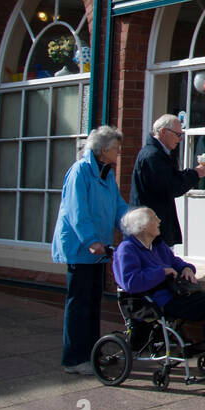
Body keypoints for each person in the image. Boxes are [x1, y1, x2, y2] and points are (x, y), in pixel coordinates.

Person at [112, 207, 205, 374]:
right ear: (143, 226)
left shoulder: (157, 246)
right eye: (154, 218)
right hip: (156, 301)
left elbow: (176, 262)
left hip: (175, 294)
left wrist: (187, 268)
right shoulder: (127, 249)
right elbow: (130, 282)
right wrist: (161, 272)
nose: (159, 221)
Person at [51, 126, 129, 374]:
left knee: (93, 302)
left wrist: (136, 225)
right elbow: (77, 211)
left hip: (98, 249)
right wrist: (91, 241)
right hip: (81, 248)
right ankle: (74, 359)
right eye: (116, 148)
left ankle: (92, 354)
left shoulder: (106, 174)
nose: (119, 152)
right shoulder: (80, 172)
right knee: (79, 303)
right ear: (103, 150)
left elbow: (119, 207)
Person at [130, 114, 205, 248]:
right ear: (163, 132)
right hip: (148, 229)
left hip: (154, 226)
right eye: (177, 134)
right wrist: (195, 174)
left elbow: (171, 178)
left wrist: (194, 173)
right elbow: (171, 186)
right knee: (158, 266)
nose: (180, 139)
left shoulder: (158, 154)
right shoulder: (152, 156)